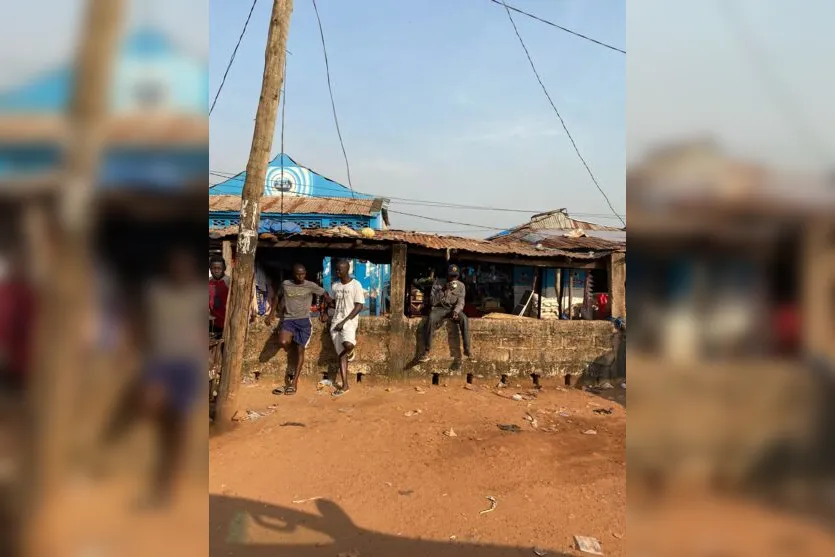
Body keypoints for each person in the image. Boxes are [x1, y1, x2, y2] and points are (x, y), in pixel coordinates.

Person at [266, 263, 329, 395]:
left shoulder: (310, 285)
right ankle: (292, 342)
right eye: (298, 274)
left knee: (300, 352)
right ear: (293, 274)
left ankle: (294, 382)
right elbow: (278, 296)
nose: (301, 276)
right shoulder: (286, 284)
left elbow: (325, 295)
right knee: (283, 342)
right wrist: (272, 313)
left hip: (304, 321)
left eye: (303, 274)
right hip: (289, 320)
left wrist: (325, 312)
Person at [417, 264, 471, 362]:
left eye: (455, 276)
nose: (453, 278)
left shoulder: (461, 286)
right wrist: (443, 290)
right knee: (431, 318)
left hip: (453, 309)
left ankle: (467, 349)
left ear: (458, 276)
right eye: (451, 276)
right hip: (439, 309)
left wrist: (456, 311)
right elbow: (432, 301)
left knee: (464, 318)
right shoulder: (438, 283)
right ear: (447, 275)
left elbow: (461, 301)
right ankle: (426, 350)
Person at [326, 260, 364, 397]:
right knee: (341, 354)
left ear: (347, 270)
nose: (337, 272)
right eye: (336, 269)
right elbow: (331, 301)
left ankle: (351, 351)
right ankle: (345, 385)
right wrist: (324, 312)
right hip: (336, 321)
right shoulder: (335, 285)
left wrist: (345, 321)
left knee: (347, 345)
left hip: (349, 321)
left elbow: (359, 305)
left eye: (340, 270)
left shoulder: (355, 285)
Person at [208, 255, 231, 338]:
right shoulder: (208, 282)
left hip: (227, 323)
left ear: (224, 268)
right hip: (214, 323)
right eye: (214, 268)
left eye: (219, 268)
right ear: (210, 269)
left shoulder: (229, 282)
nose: (216, 271)